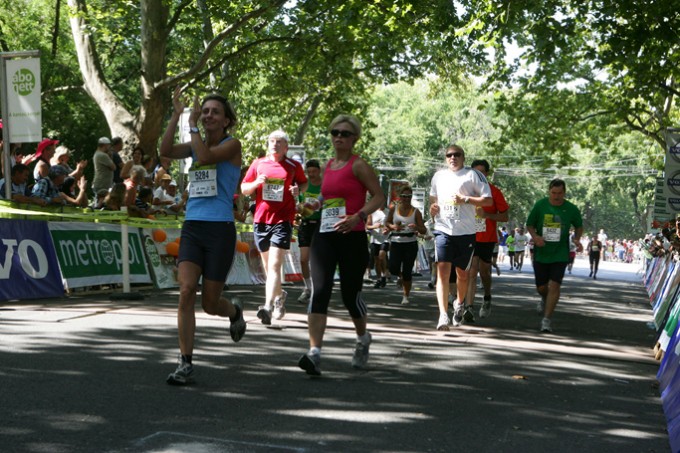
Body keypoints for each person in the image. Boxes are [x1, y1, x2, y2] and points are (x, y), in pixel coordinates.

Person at [159, 87, 246, 386]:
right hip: (193, 227)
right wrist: (176, 115)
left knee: (210, 304)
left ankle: (233, 311)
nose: (208, 115)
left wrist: (193, 126)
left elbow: (207, 157)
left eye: (214, 112)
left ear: (226, 121)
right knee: (185, 291)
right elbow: (165, 151)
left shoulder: (232, 145)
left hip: (220, 230)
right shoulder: (194, 144)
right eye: (204, 110)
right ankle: (185, 362)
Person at [297, 114, 385, 376]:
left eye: (344, 133)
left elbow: (379, 197)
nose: (338, 137)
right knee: (320, 290)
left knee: (350, 295)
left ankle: (362, 338)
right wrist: (312, 205)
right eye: (335, 132)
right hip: (325, 235)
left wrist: (359, 215)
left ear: (354, 138)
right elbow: (326, 196)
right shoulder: (327, 166)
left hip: (352, 236)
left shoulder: (359, 165)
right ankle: (314, 353)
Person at [241, 130, 307, 324]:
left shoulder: (293, 166)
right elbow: (244, 189)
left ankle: (267, 307)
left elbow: (303, 184)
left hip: (283, 220)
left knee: (275, 265)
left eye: (279, 142)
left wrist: (297, 190)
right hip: (261, 219)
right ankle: (279, 297)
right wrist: (256, 183)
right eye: (271, 141)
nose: (274, 144)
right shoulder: (258, 163)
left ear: (286, 147)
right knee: (268, 268)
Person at [429, 144, 492, 331]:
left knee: (462, 275)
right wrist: (433, 208)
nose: (453, 157)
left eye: (457, 154)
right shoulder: (438, 176)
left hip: (465, 232)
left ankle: (459, 302)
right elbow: (433, 199)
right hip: (443, 229)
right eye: (449, 155)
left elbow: (488, 200)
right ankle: (442, 315)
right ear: (445, 158)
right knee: (442, 272)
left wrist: (465, 199)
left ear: (463, 157)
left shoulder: (473, 175)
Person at [526, 178, 583, 333]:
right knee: (541, 287)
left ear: (564, 193)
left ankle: (546, 320)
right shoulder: (540, 205)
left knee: (555, 285)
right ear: (549, 191)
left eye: (559, 193)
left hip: (560, 253)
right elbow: (529, 224)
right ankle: (544, 298)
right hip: (542, 252)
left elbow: (579, 226)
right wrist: (535, 237)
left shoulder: (571, 208)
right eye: (553, 193)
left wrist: (577, 239)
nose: (556, 196)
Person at [466, 159, 509, 320]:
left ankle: (487, 297)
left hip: (487, 237)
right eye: (475, 172)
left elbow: (504, 217)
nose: (478, 175)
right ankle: (469, 308)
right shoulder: (465, 190)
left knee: (484, 272)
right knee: (471, 271)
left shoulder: (494, 192)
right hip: (468, 235)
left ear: (487, 174)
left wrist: (487, 215)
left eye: (482, 172)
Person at [385, 185, 426, 305]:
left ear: (411, 197)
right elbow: (387, 222)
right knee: (393, 268)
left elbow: (423, 230)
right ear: (400, 197)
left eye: (409, 196)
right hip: (396, 242)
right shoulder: (394, 209)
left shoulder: (416, 212)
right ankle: (400, 276)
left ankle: (405, 296)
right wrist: (393, 226)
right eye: (404, 196)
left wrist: (416, 227)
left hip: (410, 243)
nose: (406, 199)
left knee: (408, 271)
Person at [296, 159, 323, 304]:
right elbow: (299, 206)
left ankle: (319, 288)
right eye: (309, 172)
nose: (311, 174)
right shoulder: (304, 186)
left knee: (317, 260)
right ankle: (307, 288)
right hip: (305, 225)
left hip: (320, 225)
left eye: (314, 171)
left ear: (319, 171)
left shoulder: (324, 186)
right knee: (303, 259)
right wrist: (300, 209)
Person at [366, 204, 389, 288]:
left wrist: (388, 230)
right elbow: (367, 226)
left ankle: (384, 276)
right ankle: (379, 278)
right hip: (375, 239)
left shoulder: (388, 212)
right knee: (377, 261)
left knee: (381, 257)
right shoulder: (372, 212)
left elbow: (392, 224)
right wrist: (374, 226)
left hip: (385, 239)